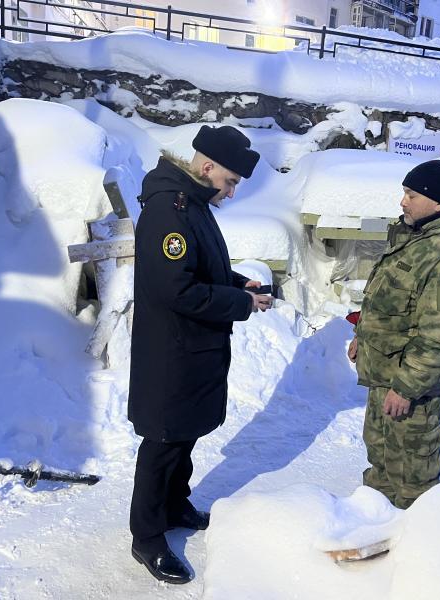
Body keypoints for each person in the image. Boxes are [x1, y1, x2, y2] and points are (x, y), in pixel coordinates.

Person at [128, 125, 273, 584]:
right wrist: (240, 304)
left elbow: (200, 264)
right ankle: (147, 537)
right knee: (164, 442)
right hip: (172, 352)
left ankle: (174, 505)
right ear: (207, 167)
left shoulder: (191, 202)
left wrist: (236, 283)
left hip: (193, 347)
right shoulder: (168, 210)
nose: (230, 193)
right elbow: (177, 289)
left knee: (184, 434)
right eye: (230, 182)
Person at [347, 159, 440, 510]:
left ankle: (417, 546)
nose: (402, 202)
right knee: (380, 459)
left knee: (412, 474)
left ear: (437, 202)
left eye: (411, 194)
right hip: (384, 376)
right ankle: (377, 522)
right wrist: (363, 336)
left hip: (410, 388)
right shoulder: (413, 236)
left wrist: (407, 387)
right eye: (403, 193)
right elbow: (389, 298)